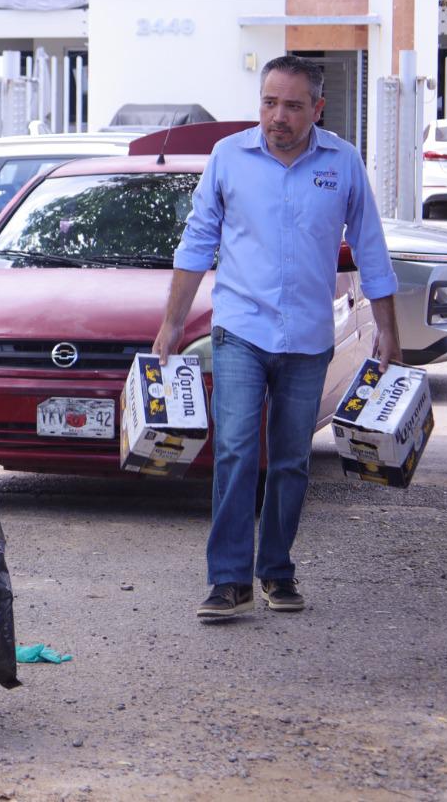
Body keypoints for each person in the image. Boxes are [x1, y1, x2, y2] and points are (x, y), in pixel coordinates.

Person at [152, 54, 400, 622]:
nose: (277, 116)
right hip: (240, 328)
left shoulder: (342, 163)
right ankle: (228, 580)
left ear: (318, 107)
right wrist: (170, 325)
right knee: (237, 451)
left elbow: (371, 249)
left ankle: (277, 571)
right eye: (269, 102)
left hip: (310, 337)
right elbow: (195, 246)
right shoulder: (228, 158)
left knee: (290, 460)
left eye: (292, 105)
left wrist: (388, 330)